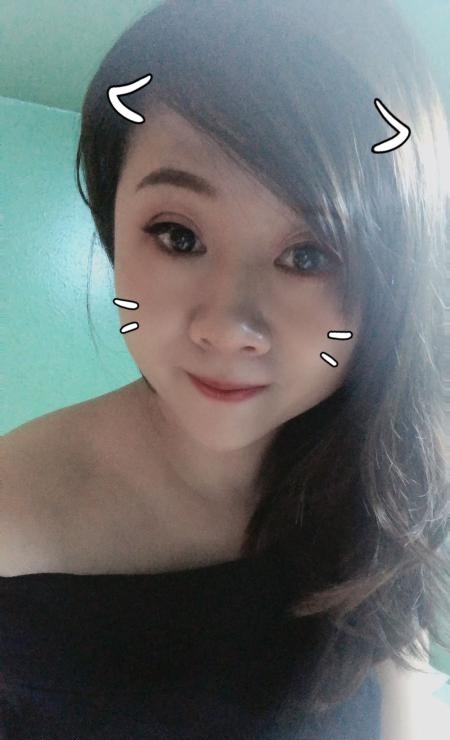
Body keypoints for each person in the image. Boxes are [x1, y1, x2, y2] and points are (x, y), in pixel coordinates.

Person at [2, 1, 449, 738]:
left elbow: (401, 692)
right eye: (177, 235)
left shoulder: (384, 469)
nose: (226, 327)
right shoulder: (12, 517)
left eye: (308, 254)